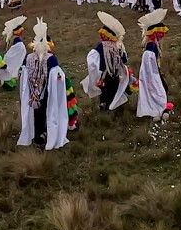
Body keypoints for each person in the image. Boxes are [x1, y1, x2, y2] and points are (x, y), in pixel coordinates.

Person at [17, 19, 71, 150]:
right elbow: (57, 76)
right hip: (45, 93)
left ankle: (37, 136)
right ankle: (43, 135)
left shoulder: (29, 58)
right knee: (47, 113)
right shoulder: (51, 59)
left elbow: (23, 73)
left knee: (36, 114)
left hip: (32, 94)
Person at [81, 11, 132, 111]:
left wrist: (95, 73)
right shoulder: (119, 46)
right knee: (114, 90)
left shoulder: (101, 47)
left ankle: (105, 107)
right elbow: (124, 59)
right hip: (116, 74)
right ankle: (113, 108)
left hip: (105, 75)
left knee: (105, 92)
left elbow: (92, 61)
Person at [135, 8, 172, 120]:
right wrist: (156, 74)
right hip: (151, 74)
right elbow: (150, 63)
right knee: (159, 90)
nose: (162, 36)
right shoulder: (151, 47)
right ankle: (159, 110)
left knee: (161, 89)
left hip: (152, 72)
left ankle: (157, 110)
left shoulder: (153, 45)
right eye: (160, 33)